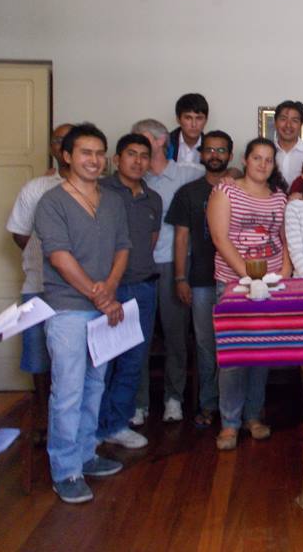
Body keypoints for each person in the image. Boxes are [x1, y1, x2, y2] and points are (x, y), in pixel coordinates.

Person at [34, 123, 130, 504]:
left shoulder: (113, 201)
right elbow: (60, 257)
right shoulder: (52, 202)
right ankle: (65, 470)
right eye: (86, 152)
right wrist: (98, 295)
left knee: (95, 387)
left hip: (105, 308)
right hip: (68, 310)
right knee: (68, 391)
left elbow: (123, 248)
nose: (94, 160)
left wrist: (110, 288)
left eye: (99, 153)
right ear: (67, 156)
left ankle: (86, 454)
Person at [207, 137, 292, 450]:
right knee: (233, 354)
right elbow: (220, 237)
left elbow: (285, 238)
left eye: (269, 160)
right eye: (257, 158)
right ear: (245, 160)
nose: (263, 164)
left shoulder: (279, 197)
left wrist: (285, 271)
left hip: (270, 284)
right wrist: (248, 275)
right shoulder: (226, 191)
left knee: (260, 352)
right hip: (234, 283)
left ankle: (253, 415)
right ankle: (229, 422)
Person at [135, 118, 204, 424]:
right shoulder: (134, 177)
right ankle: (138, 403)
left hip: (175, 264)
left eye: (142, 139)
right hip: (136, 267)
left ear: (161, 140)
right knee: (138, 338)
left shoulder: (188, 173)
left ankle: (173, 398)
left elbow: (224, 175)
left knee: (176, 336)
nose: (136, 146)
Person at [95, 134, 162, 450]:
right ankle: (94, 428)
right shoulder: (100, 191)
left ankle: (116, 424)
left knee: (133, 360)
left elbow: (150, 241)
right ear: (117, 159)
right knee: (102, 362)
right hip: (107, 288)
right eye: (131, 154)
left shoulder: (153, 198)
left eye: (144, 155)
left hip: (144, 286)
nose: (138, 161)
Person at [6, 122, 72, 441]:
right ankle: (44, 421)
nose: (64, 145)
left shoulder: (98, 187)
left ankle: (70, 423)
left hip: (79, 290)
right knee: (38, 356)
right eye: (59, 140)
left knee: (74, 358)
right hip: (38, 285)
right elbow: (19, 232)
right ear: (53, 148)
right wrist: (42, 255)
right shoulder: (36, 187)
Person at [166, 130, 234, 427]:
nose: (215, 155)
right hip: (202, 278)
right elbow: (181, 238)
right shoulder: (188, 192)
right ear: (201, 154)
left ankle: (234, 406)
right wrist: (180, 278)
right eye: (210, 150)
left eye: (221, 150)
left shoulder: (239, 188)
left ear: (230, 155)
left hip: (236, 279)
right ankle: (208, 403)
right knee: (206, 344)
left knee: (234, 344)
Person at [272, 100, 303, 188]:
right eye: (283, 119)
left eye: (294, 120)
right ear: (275, 122)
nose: (288, 125)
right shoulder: (267, 152)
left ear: (301, 125)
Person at [166, 93, 209, 166]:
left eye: (199, 118)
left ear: (206, 120)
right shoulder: (165, 144)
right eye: (188, 118)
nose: (194, 124)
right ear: (178, 119)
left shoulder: (211, 147)